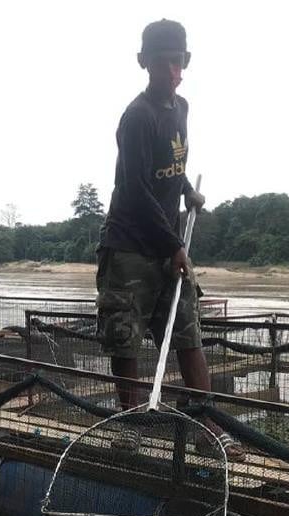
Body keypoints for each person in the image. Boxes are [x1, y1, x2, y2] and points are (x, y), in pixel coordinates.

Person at [96, 18, 244, 459]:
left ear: (186, 63)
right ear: (144, 63)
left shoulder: (181, 109)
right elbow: (137, 189)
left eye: (177, 63)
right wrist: (174, 245)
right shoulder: (136, 117)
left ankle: (207, 428)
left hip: (166, 245)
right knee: (124, 337)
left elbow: (173, 166)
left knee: (188, 334)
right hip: (129, 247)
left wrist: (186, 192)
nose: (171, 73)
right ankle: (131, 425)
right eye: (161, 64)